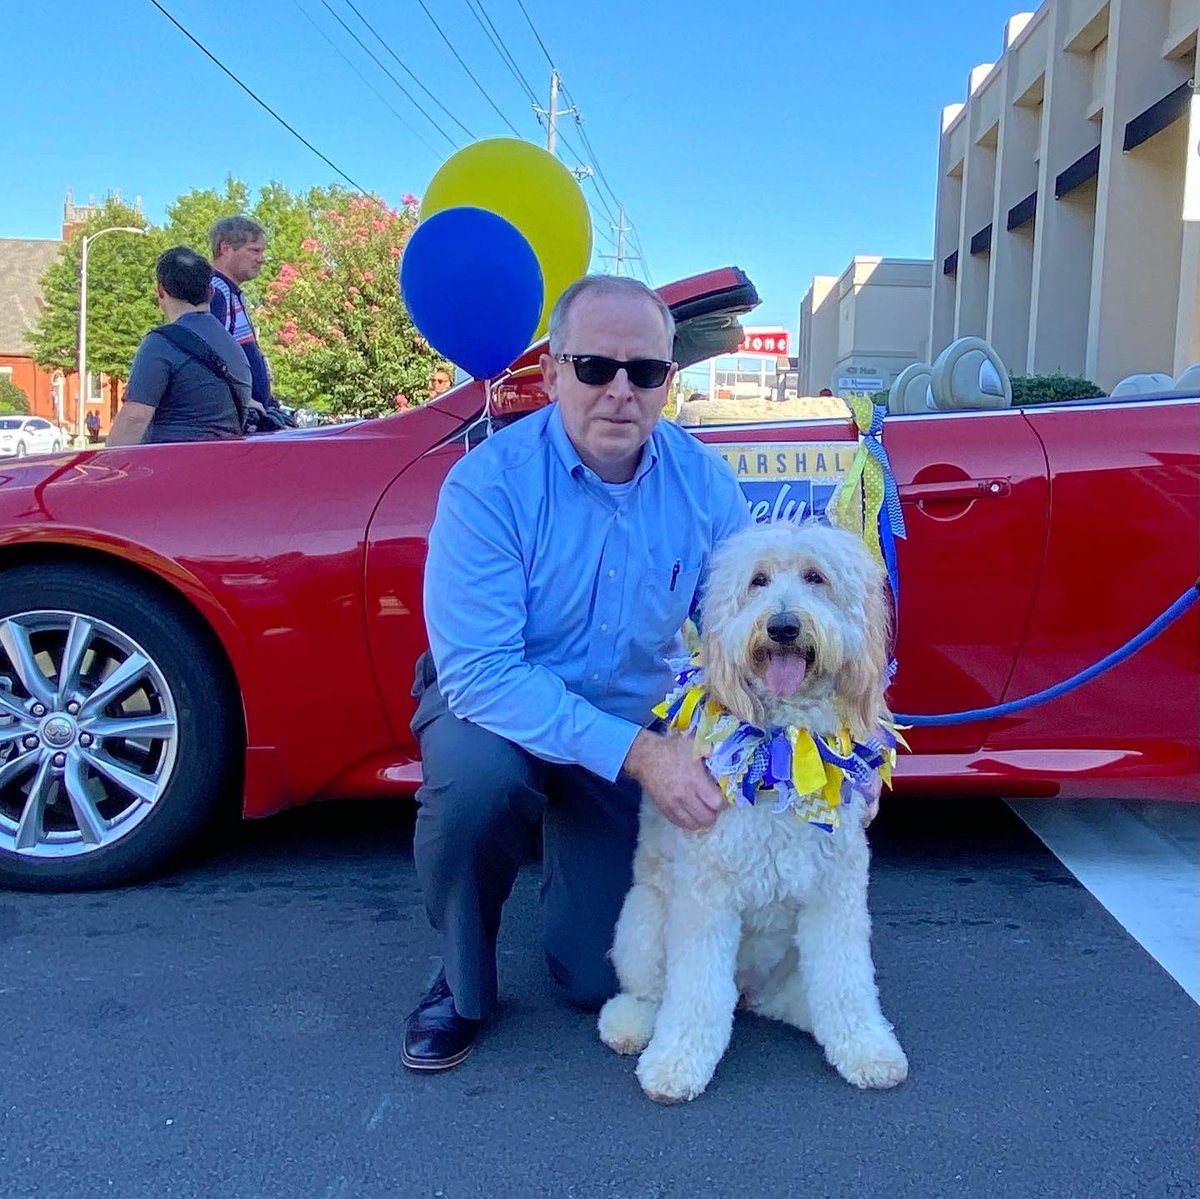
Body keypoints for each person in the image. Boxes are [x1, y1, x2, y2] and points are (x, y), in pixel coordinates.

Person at [403, 274, 751, 1072]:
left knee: (601, 976)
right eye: (595, 367)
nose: (620, 391)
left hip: (630, 717)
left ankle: (571, 869)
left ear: (670, 378)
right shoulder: (489, 485)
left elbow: (737, 640)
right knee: (475, 784)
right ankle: (460, 980)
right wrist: (642, 755)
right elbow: (482, 673)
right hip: (496, 713)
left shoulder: (706, 488)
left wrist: (815, 749)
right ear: (553, 372)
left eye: (646, 371)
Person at [107, 247, 253, 447]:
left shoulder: (161, 344)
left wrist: (108, 471)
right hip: (224, 467)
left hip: (172, 467)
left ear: (160, 290)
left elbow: (135, 418)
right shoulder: (235, 350)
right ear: (210, 292)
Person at [208, 216, 276, 412]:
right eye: (254, 250)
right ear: (226, 249)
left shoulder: (230, 293)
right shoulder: (216, 292)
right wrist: (243, 401)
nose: (261, 259)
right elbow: (212, 357)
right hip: (235, 418)